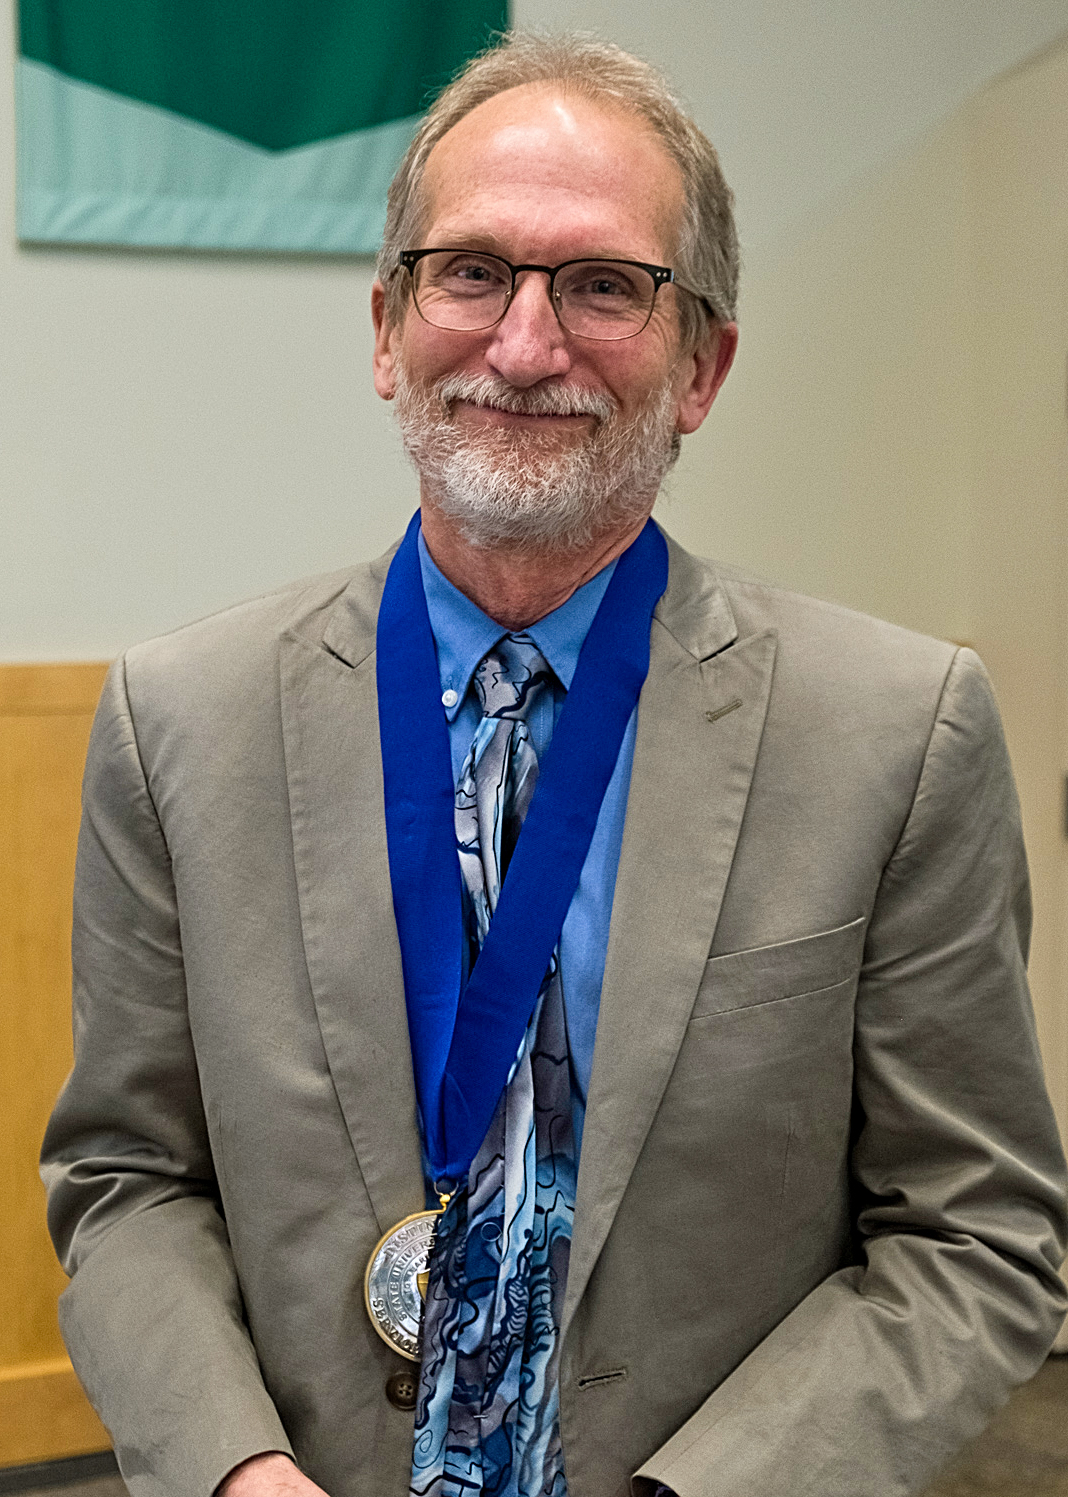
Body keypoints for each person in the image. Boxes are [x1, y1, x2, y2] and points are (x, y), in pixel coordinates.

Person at [42, 31, 1067, 1497]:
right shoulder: (176, 722)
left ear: (703, 363)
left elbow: (978, 1237)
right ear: (387, 327)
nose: (525, 345)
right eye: (472, 272)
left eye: (603, 285)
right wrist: (233, 1472)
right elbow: (128, 1185)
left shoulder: (899, 737)